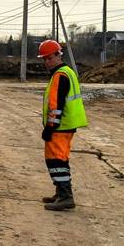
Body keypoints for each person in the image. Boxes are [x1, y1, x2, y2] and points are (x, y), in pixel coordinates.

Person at [37, 40, 87, 211]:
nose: (46, 62)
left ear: (58, 55)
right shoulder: (68, 72)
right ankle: (60, 193)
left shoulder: (60, 75)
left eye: (49, 58)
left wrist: (50, 127)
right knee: (59, 159)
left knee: (56, 160)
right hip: (66, 125)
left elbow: (55, 105)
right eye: (44, 59)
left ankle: (65, 196)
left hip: (60, 127)